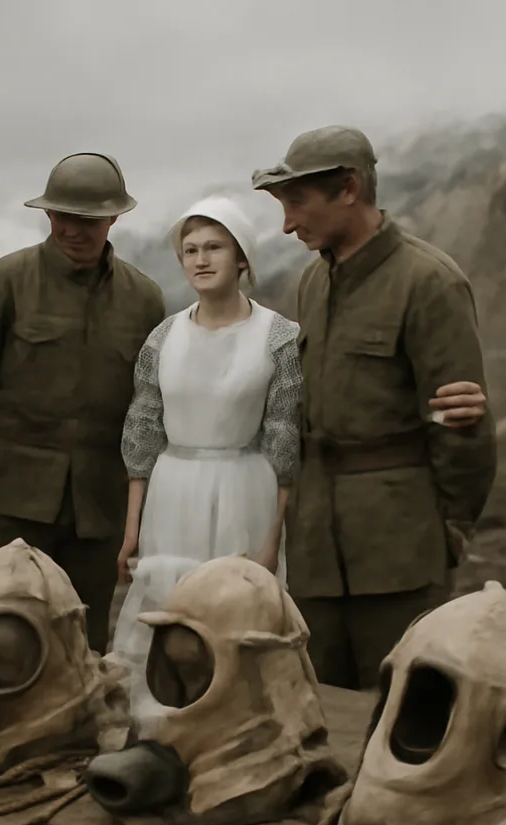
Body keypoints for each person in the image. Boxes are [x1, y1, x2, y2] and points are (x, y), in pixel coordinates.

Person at [252, 125, 496, 693]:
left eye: (297, 203)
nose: (287, 224)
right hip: (315, 548)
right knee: (317, 708)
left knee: (398, 716)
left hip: (398, 551)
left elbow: (462, 432)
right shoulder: (314, 281)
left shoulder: (429, 283)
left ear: (349, 189)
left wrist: (448, 532)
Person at [0, 153, 167, 654]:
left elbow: (147, 406)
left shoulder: (144, 299)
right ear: (47, 216)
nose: (72, 230)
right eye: (62, 216)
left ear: (114, 218)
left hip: (97, 507)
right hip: (11, 499)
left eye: (87, 219)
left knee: (80, 641)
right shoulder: (9, 279)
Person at [110, 196, 301, 702]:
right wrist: (132, 529)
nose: (201, 259)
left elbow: (285, 440)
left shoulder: (278, 337)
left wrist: (271, 540)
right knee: (170, 617)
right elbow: (143, 433)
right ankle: (160, 728)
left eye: (214, 246)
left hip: (245, 489)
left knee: (238, 617)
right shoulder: (164, 337)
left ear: (242, 258)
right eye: (190, 249)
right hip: (173, 494)